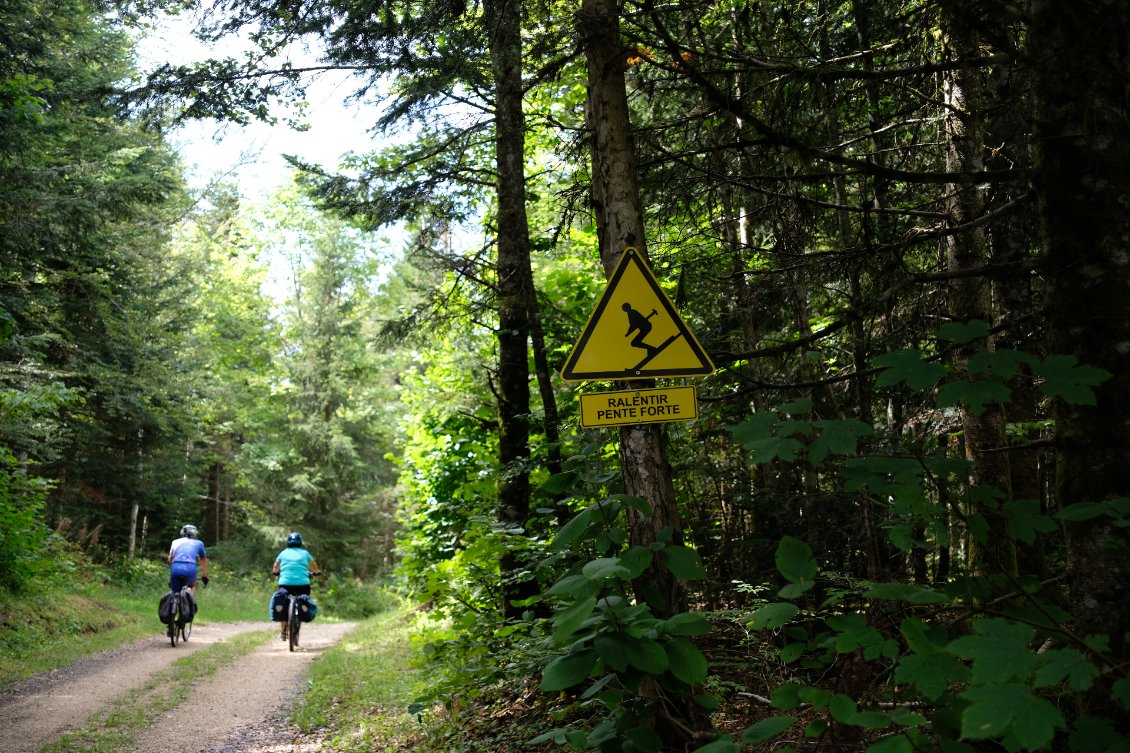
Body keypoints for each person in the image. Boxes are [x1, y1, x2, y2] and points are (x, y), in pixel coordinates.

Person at [272, 532, 321, 640]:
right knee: (304, 600)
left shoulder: (283, 553)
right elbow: (314, 566)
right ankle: (300, 616)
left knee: (283, 603)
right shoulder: (305, 553)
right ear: (300, 542)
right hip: (303, 584)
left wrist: (276, 572)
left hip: (285, 584)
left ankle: (283, 632)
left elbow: (275, 567)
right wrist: (317, 572)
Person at [168, 524, 209, 596]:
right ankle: (190, 602)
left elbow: (169, 560)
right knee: (193, 585)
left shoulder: (175, 542)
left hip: (176, 567)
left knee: (174, 590)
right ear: (195, 533)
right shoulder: (199, 543)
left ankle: (172, 603)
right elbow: (204, 561)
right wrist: (205, 576)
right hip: (190, 567)